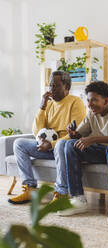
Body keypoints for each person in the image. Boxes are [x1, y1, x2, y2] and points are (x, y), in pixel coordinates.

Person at [54, 81, 108, 224]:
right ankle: (78, 199)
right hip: (104, 152)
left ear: (106, 100)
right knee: (70, 145)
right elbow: (79, 137)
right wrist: (73, 133)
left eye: (94, 100)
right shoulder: (92, 114)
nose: (90, 104)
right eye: (88, 100)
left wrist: (93, 139)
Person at [8, 71, 86, 204]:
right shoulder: (48, 104)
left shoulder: (75, 102)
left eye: (55, 86)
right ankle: (30, 189)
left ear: (66, 87)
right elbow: (36, 131)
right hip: (47, 147)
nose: (51, 89)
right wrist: (42, 106)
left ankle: (62, 193)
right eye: (50, 86)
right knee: (19, 143)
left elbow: (77, 133)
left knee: (61, 145)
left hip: (64, 148)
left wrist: (52, 144)